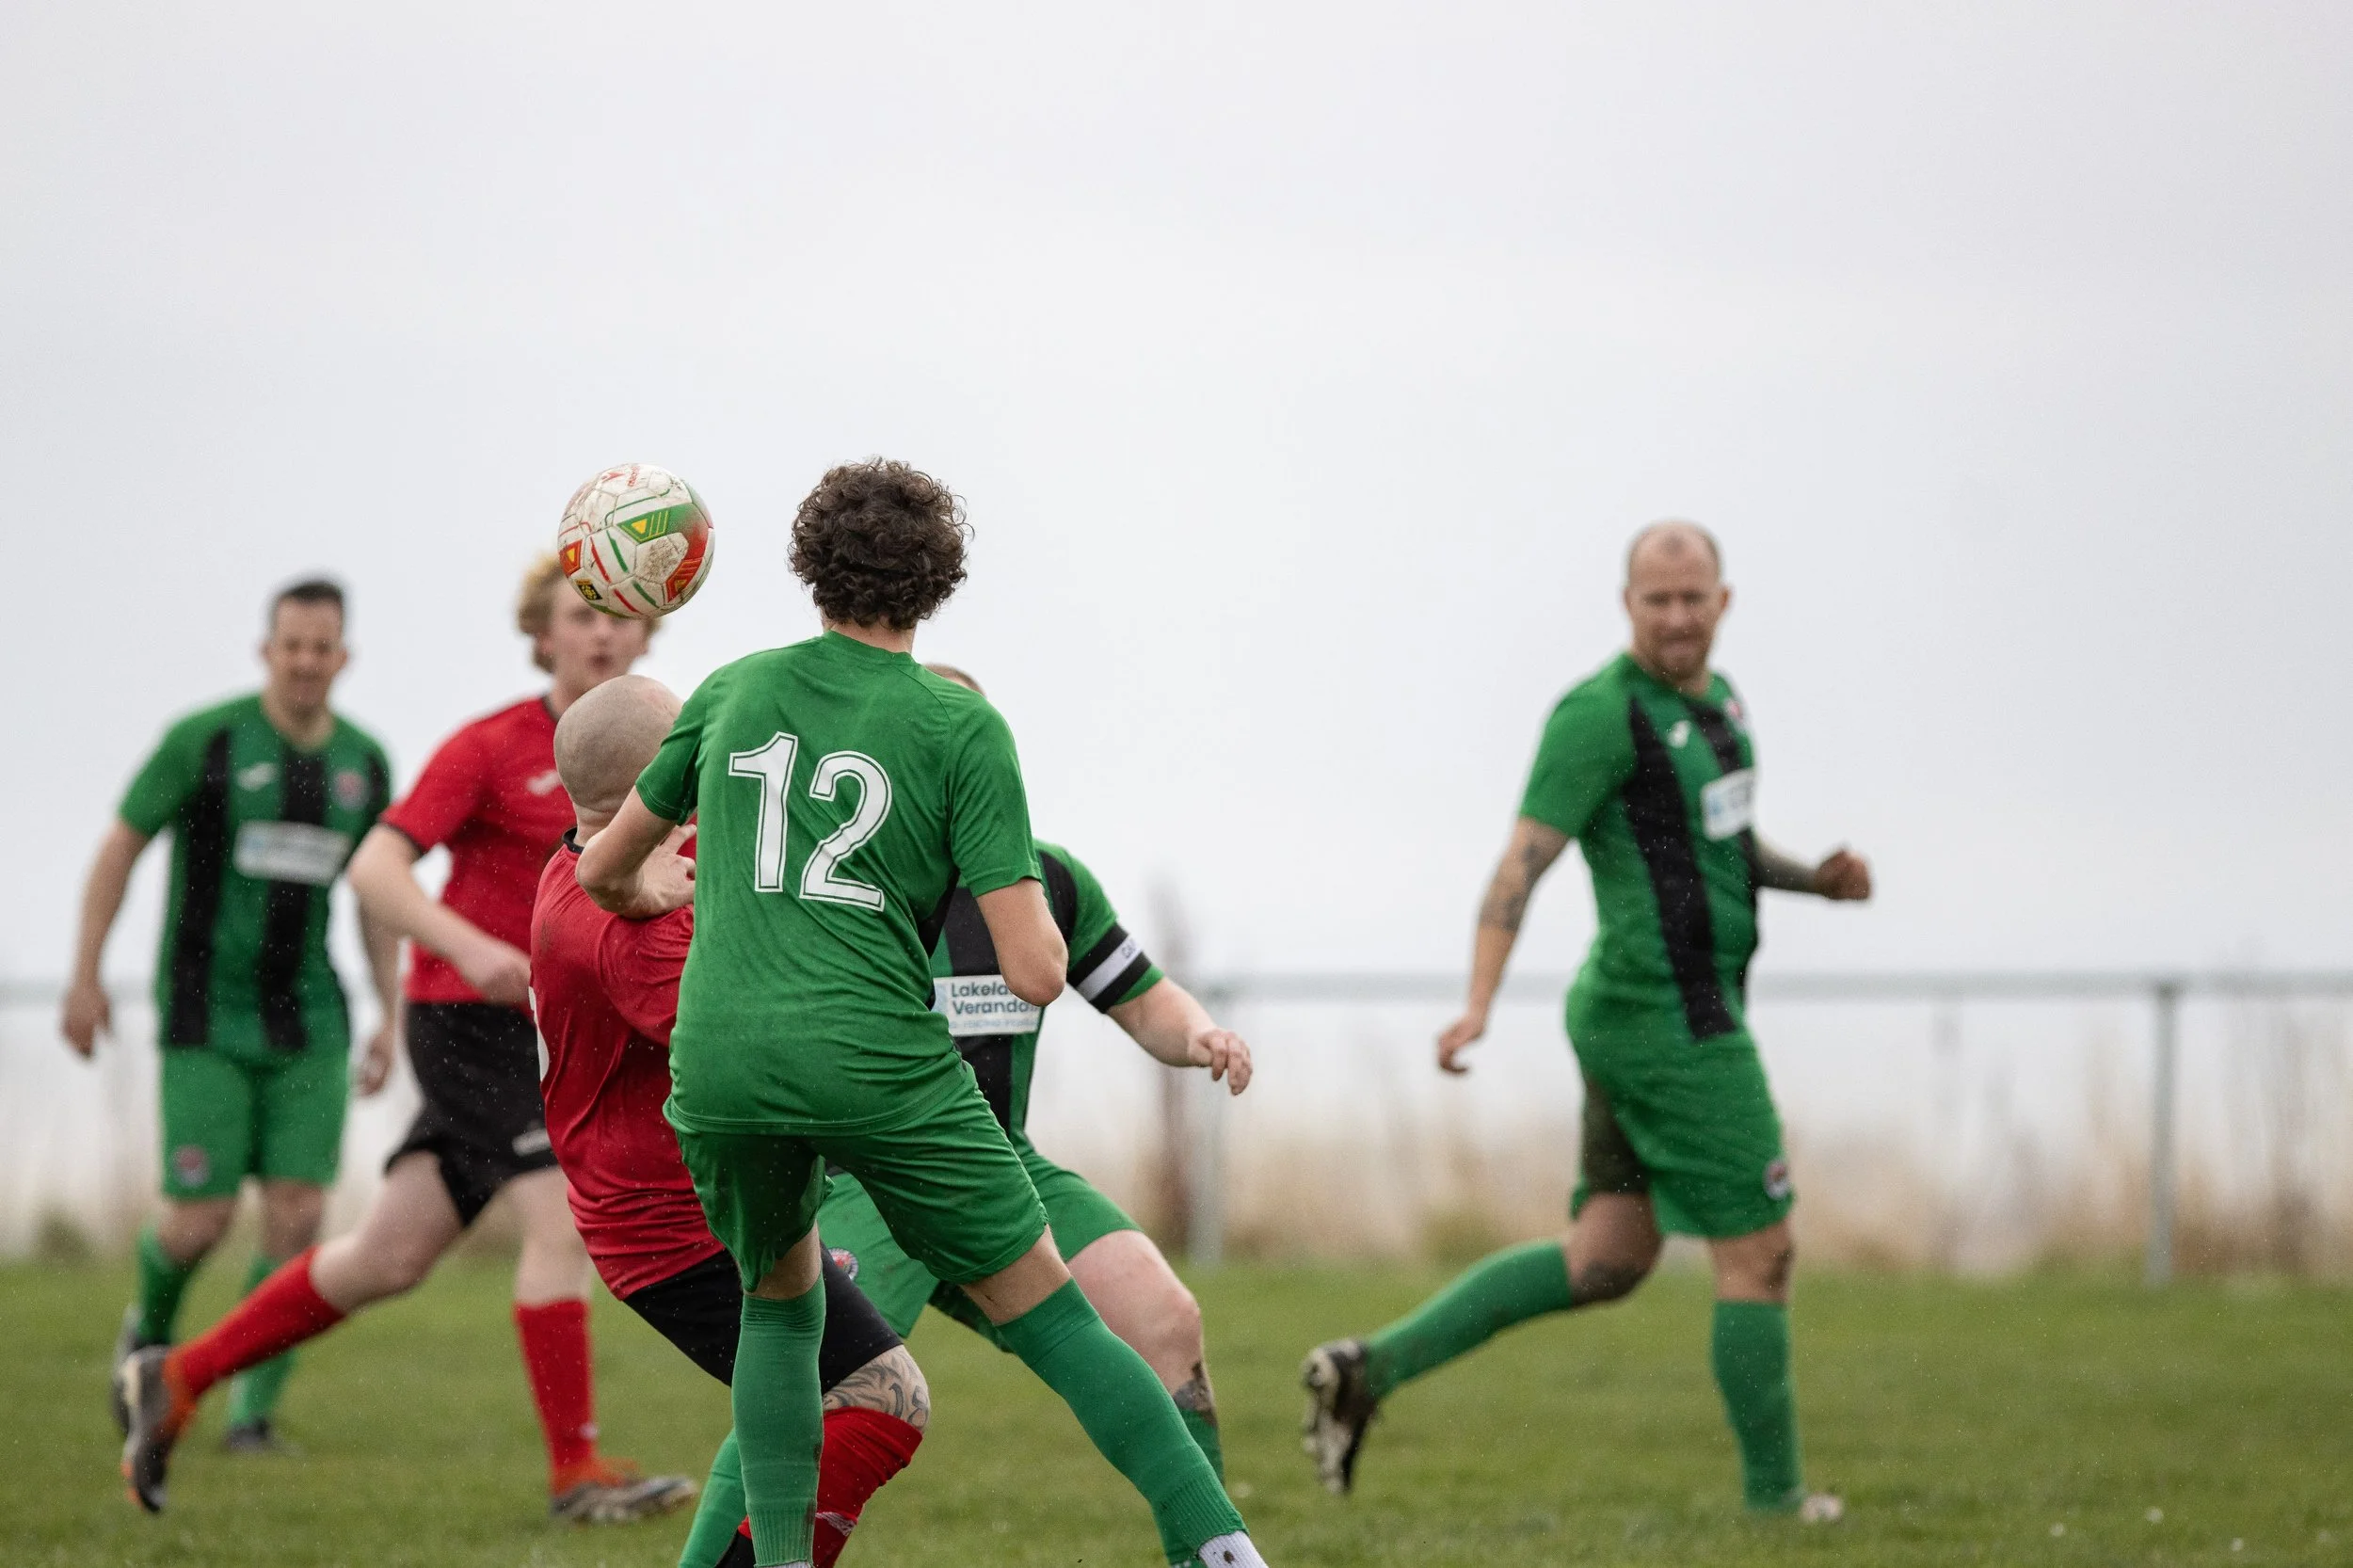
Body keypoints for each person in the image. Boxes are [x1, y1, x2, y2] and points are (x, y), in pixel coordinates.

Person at [578, 458, 1268, 1568]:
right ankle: (1224, 1551)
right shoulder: (959, 730)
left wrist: (656, 888)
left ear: (811, 569)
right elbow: (1040, 974)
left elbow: (607, 867)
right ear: (938, 583)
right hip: (879, 1075)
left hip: (725, 1063)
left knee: (778, 1315)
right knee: (1056, 1320)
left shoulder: (731, 688)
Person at [1301, 521, 1870, 1519]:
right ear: (1627, 605)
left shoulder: (1721, 705)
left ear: (1723, 601)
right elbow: (1519, 865)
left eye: (1694, 598)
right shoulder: (1598, 716)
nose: (1678, 616)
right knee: (1761, 1250)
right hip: (1667, 1025)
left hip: (1653, 1015)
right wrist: (1477, 1002)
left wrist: (1812, 881)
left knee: (1605, 1258)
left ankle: (1367, 1371)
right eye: (1658, 600)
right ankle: (1778, 1504)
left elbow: (1721, 845)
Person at [118, 556, 694, 1524]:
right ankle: (575, 1472)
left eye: (620, 620)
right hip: (466, 1023)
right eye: (578, 618)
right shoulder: (488, 747)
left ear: (645, 637)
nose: (601, 634)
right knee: (562, 1220)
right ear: (540, 634)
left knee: (384, 1256)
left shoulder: (668, 765)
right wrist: (468, 947)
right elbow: (375, 869)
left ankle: (175, 1375)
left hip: (545, 1038)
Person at [816, 661, 1246, 1496]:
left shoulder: (1043, 880)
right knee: (831, 1394)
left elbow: (1142, 997)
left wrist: (1201, 1035)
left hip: (998, 1163)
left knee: (1167, 1324)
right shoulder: (836, 883)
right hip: (859, 1179)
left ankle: (1211, 1554)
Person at [532, 675, 928, 1568]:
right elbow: (769, 1067)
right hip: (677, 1235)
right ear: (659, 781)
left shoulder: (586, 857)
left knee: (801, 1418)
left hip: (683, 1210)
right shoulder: (632, 934)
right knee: (875, 1403)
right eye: (693, 747)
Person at [65, 578, 396, 1454]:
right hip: (205, 1016)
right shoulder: (204, 741)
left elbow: (374, 896)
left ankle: (250, 1416)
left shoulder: (365, 764)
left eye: (322, 647)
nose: (305, 661)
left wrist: (390, 1014)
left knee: (296, 1217)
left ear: (343, 657)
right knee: (197, 1221)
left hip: (312, 1022)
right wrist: (85, 975)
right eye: (291, 644)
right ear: (267, 650)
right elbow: (118, 849)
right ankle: (149, 1340)